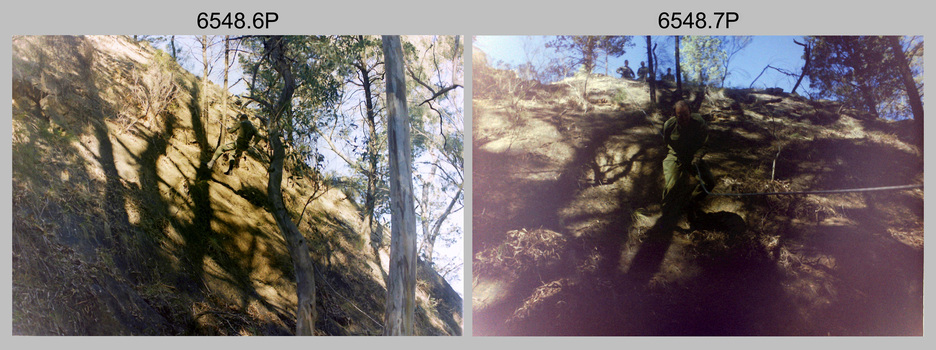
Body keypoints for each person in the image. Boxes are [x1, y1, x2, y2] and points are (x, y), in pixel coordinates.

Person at [661, 100, 715, 222]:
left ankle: (690, 203)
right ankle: (665, 213)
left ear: (690, 112)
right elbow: (666, 143)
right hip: (675, 156)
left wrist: (697, 156)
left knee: (709, 182)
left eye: (686, 114)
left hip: (694, 157)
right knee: (671, 185)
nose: (684, 118)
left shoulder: (698, 122)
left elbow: (705, 144)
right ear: (675, 115)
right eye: (680, 115)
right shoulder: (669, 125)